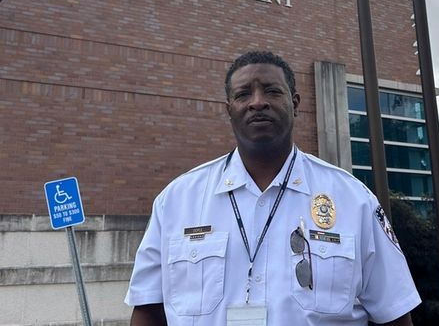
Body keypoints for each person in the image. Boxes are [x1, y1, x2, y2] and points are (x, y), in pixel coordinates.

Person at [125, 51, 421, 325]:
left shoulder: (354, 200)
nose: (257, 102)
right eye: (243, 94)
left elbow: (394, 314)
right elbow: (148, 311)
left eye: (271, 91)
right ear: (229, 109)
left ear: (295, 103)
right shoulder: (177, 201)